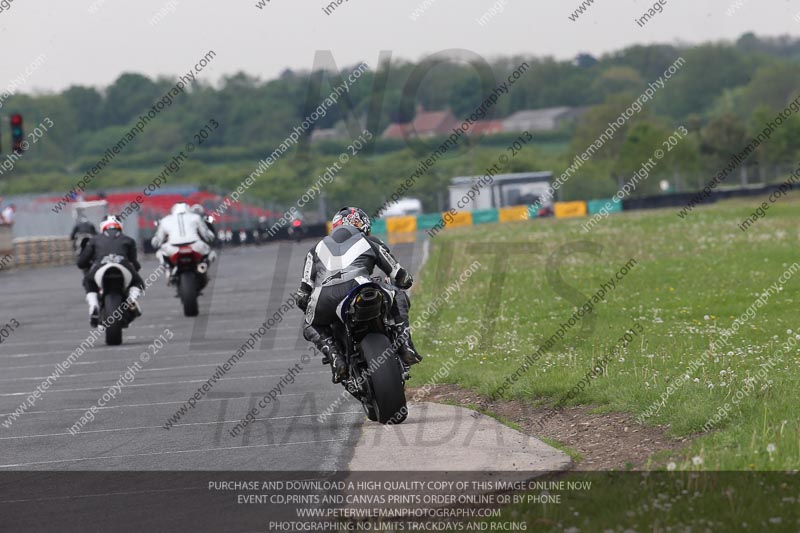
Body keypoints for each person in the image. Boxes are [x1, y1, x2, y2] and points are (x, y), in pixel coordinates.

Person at [294, 207, 423, 383]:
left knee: (310, 325)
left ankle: (335, 357)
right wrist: (403, 281)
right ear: (364, 227)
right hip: (360, 286)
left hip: (324, 297)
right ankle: (405, 346)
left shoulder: (315, 249)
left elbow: (302, 295)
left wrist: (309, 305)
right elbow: (401, 277)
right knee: (398, 294)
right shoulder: (369, 241)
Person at [77, 216, 144, 327]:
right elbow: (134, 263)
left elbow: (81, 262)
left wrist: (87, 265)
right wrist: (135, 269)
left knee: (88, 281)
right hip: (123, 266)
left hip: (100, 267)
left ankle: (94, 306)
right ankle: (132, 299)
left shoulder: (94, 240)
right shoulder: (128, 240)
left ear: (102, 226)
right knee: (138, 282)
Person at [151, 203, 216, 281]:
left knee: (159, 253)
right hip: (195, 245)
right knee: (211, 253)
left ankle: (168, 268)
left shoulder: (165, 220)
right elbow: (208, 236)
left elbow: (157, 242)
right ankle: (203, 265)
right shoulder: (196, 217)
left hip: (173, 248)